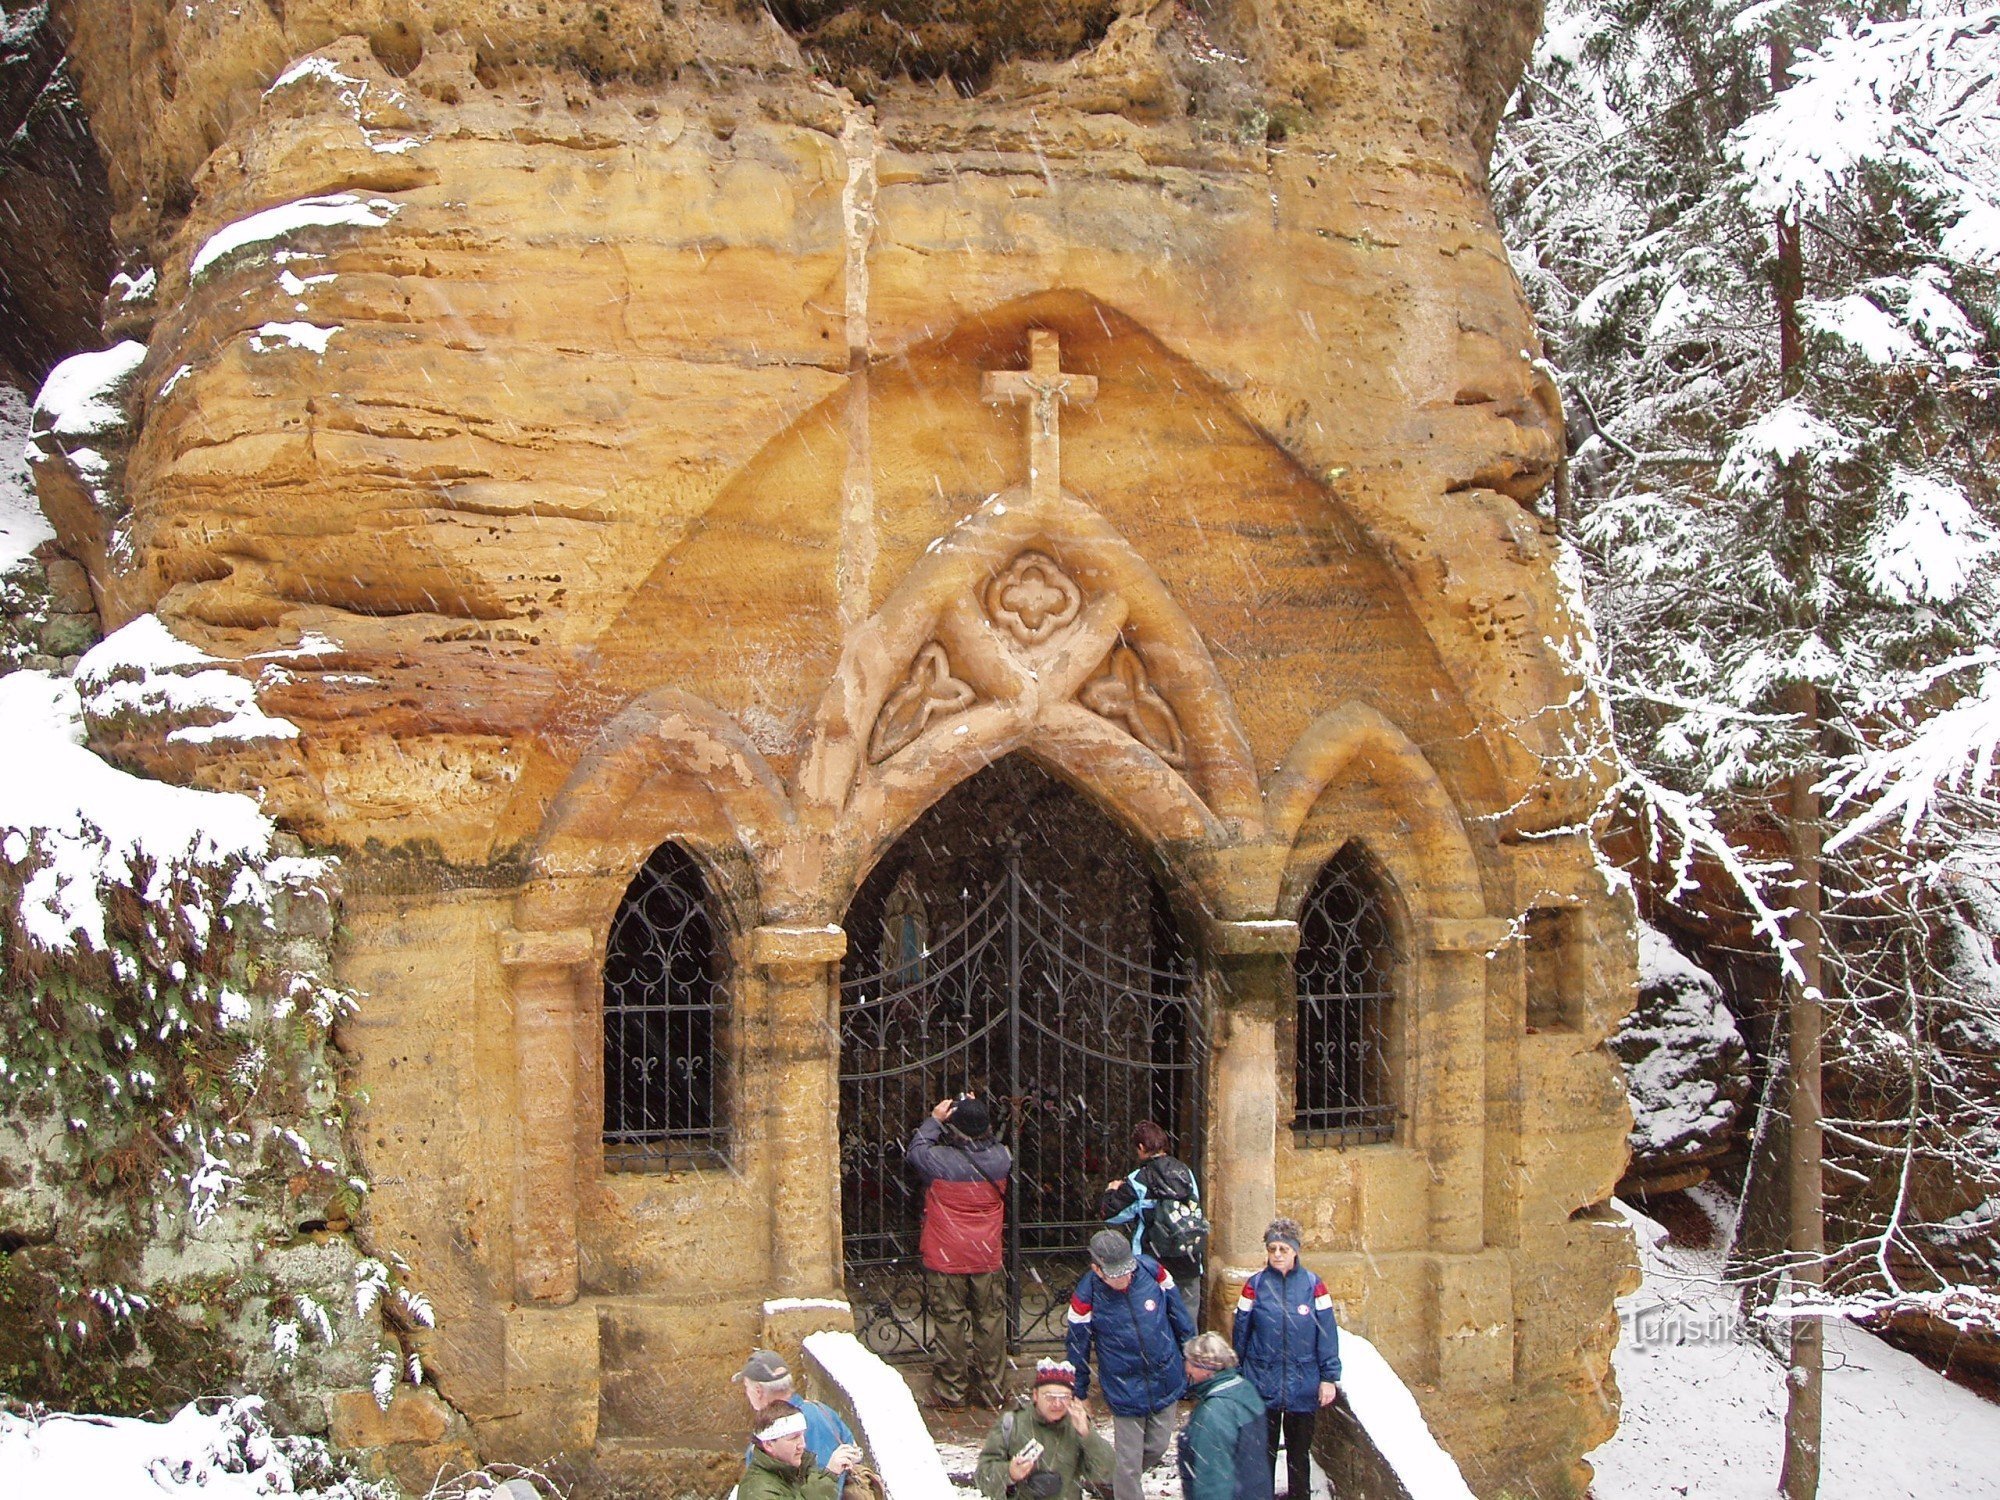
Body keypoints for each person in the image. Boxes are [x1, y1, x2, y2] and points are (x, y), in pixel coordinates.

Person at [1064, 1228, 1197, 1500]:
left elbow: (1178, 1313)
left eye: (1127, 1270)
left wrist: (1191, 1352)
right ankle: (1124, 1489)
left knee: (1157, 1446)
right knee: (1128, 1462)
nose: (1125, 1278)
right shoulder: (1086, 1295)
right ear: (1097, 1270)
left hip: (1165, 1375)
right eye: (1116, 1274)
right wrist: (1079, 1391)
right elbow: (1077, 1346)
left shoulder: (1151, 1271)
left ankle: (1110, 1481)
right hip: (1124, 1385)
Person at [907, 1092, 1013, 1408]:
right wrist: (972, 1112)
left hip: (947, 1253)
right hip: (986, 1254)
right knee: (990, 1320)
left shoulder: (940, 1161)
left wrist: (936, 1119)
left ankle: (951, 1390)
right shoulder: (1001, 1159)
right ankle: (992, 1389)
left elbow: (916, 1150)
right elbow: (988, 1141)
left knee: (949, 1322)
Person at [1231, 1218, 1341, 1500]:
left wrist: (1329, 1378)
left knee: (1298, 1455)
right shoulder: (1254, 1286)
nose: (1278, 1254)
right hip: (1262, 1382)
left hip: (1302, 1384)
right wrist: (1238, 1374)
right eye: (1272, 1249)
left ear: (1295, 1251)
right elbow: (1241, 1331)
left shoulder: (1313, 1286)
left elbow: (1326, 1334)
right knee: (1262, 1456)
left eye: (1283, 1248)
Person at [1102, 1121, 1207, 1316]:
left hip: (1152, 1263)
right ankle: (1185, 1347)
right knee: (1186, 1320)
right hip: (1188, 1258)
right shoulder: (1185, 1172)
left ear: (1141, 1147)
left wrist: (1111, 1191)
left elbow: (1113, 1214)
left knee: (1152, 1318)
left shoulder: (1140, 1178)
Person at [974, 1358, 1115, 1500]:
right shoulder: (1012, 1423)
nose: (1057, 1403)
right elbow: (982, 1477)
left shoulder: (1077, 1425)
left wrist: (1087, 1434)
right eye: (1049, 1396)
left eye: (1064, 1397)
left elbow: (1107, 1472)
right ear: (1035, 1395)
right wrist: (1009, 1472)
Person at [735, 1349, 858, 1498]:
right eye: (794, 1437)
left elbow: (826, 1491)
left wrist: (830, 1475)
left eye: (746, 1387)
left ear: (758, 1391)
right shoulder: (817, 1412)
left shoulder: (797, 1425)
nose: (802, 1444)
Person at [1177, 1333, 1274, 1500]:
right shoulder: (1244, 1390)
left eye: (1190, 1362)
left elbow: (1213, 1480)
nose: (1186, 1368)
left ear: (1206, 1368)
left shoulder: (1214, 1413)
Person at [739, 1400, 862, 1500]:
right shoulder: (757, 1491)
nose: (802, 1444)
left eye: (802, 1435)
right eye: (793, 1438)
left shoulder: (800, 1467)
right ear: (769, 1444)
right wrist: (829, 1475)